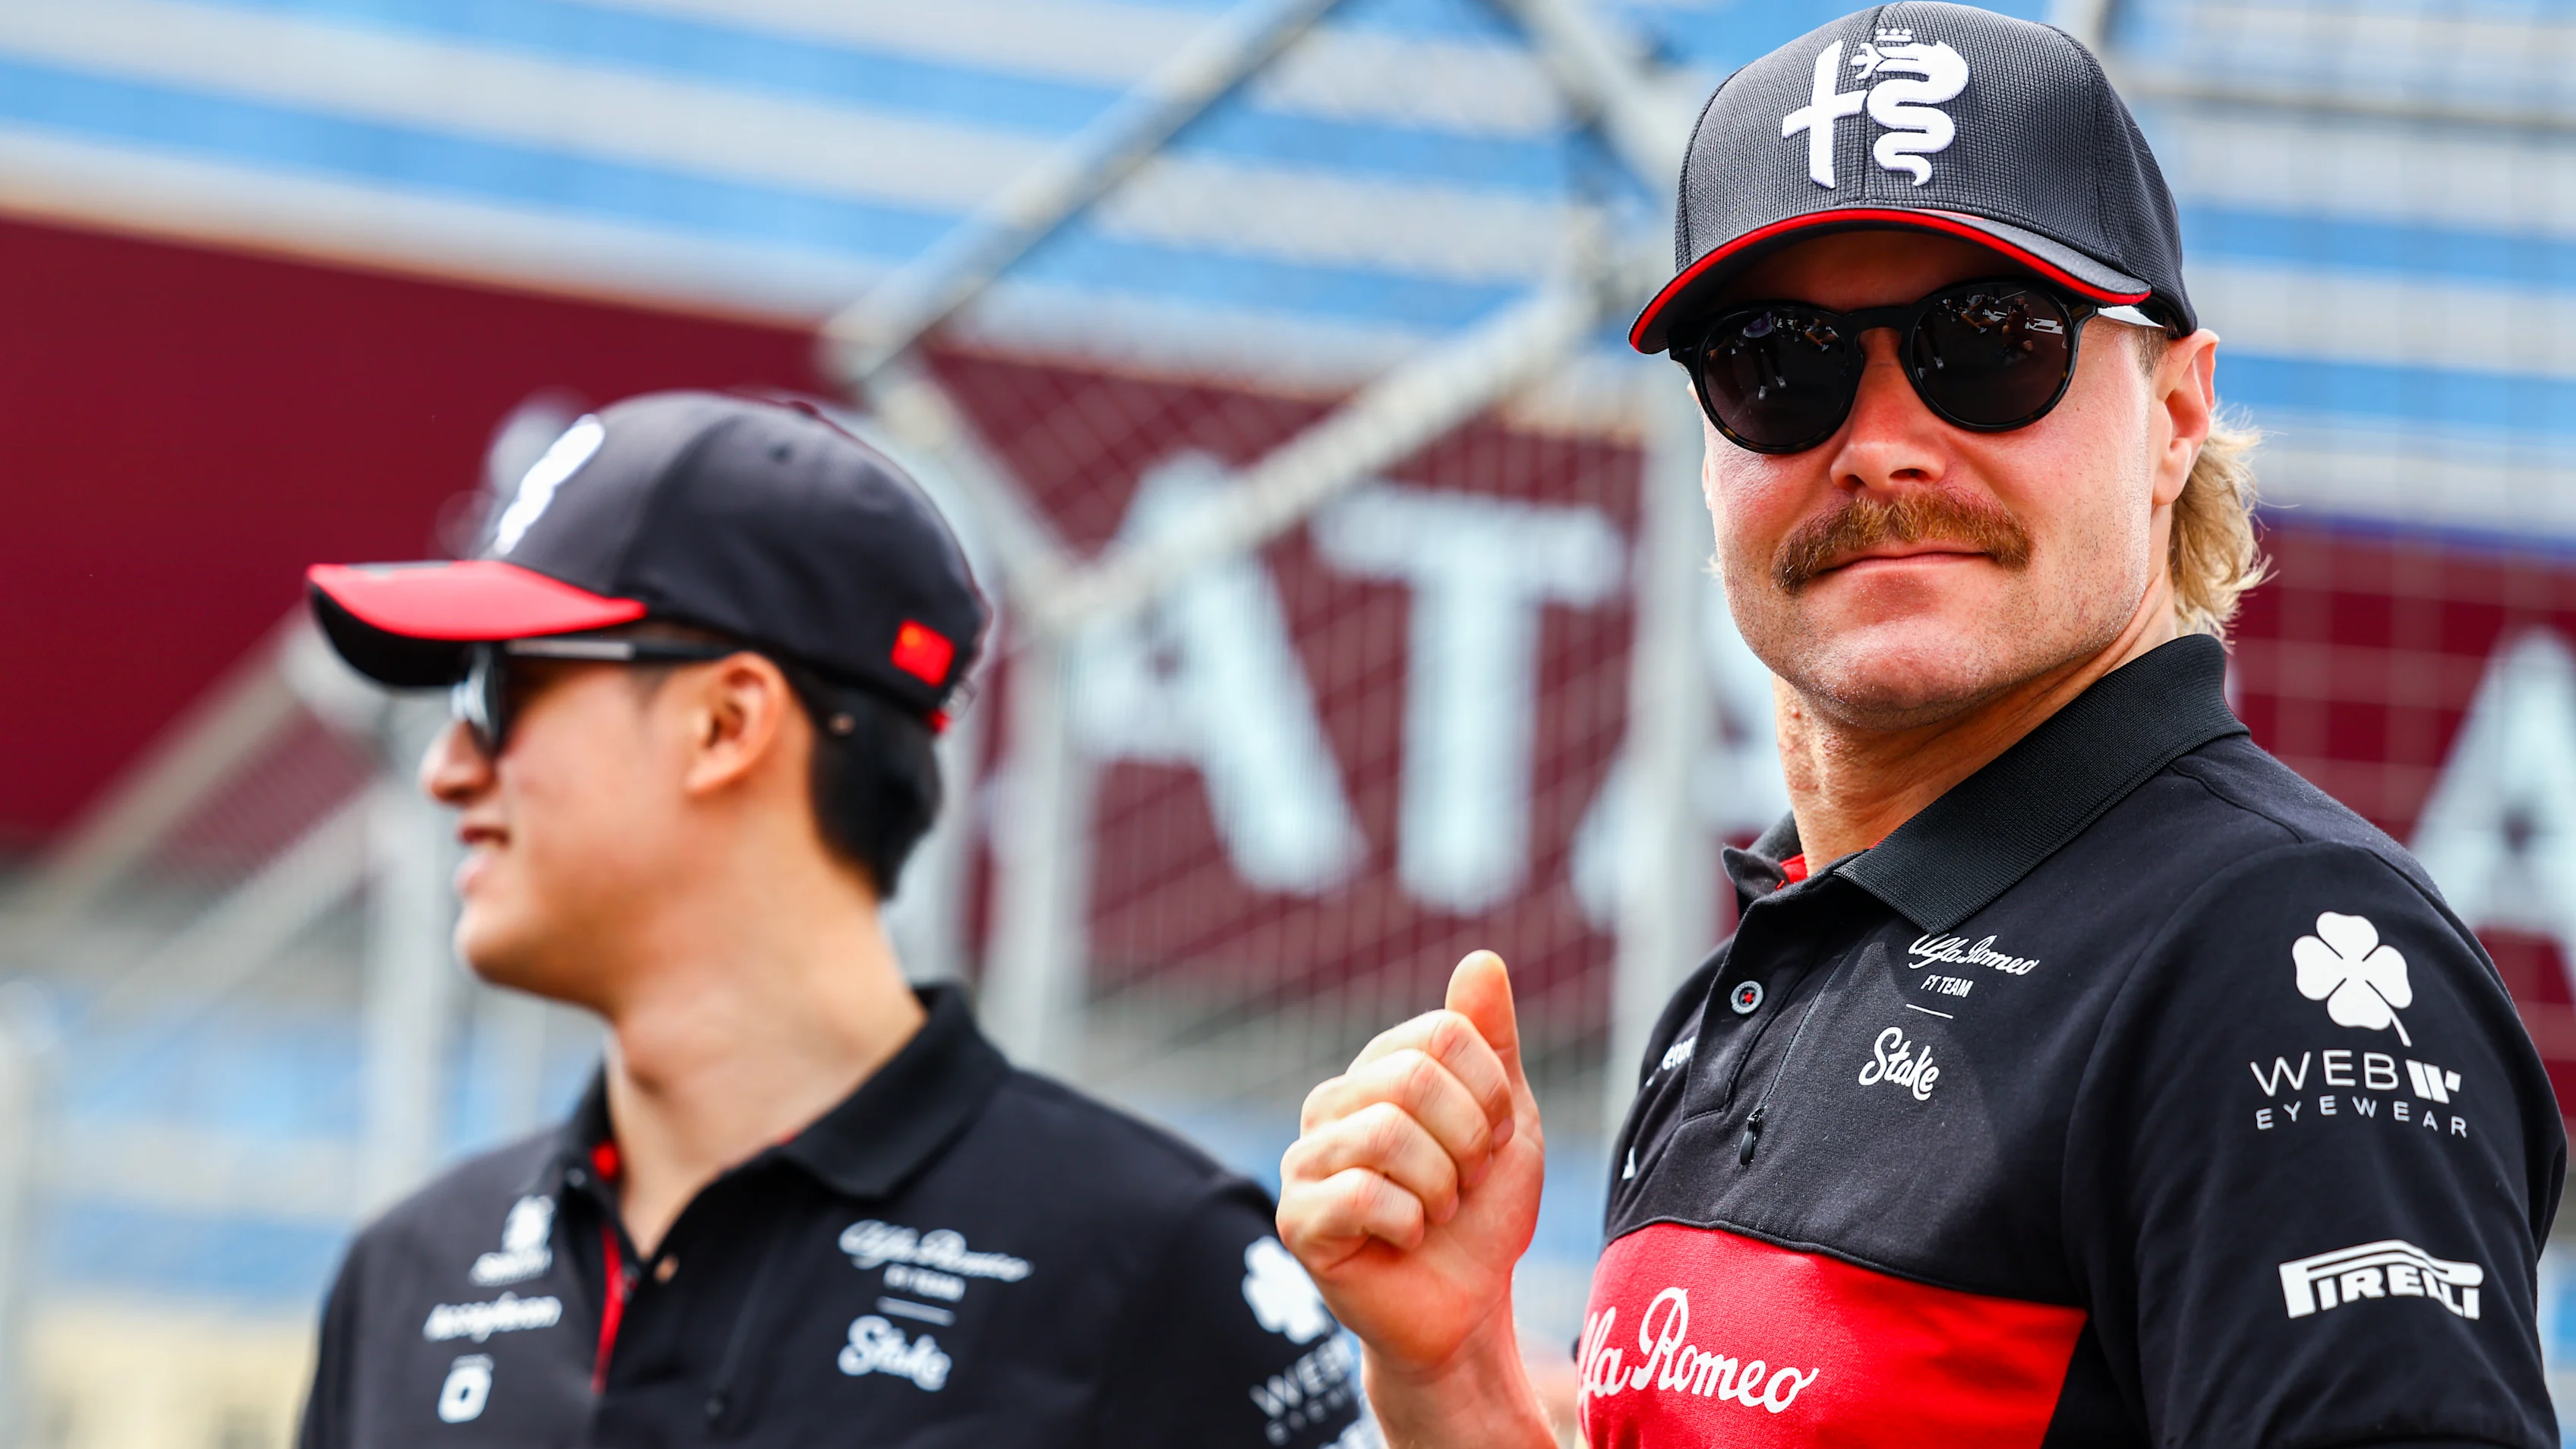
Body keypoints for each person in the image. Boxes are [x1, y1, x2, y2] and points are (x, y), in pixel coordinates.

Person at [1277, 6, 2565, 1447]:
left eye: (1989, 343)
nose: (1881, 447)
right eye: (1777, 365)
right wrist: (1457, 1381)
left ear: (2176, 415)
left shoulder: (2267, 957)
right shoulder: (1743, 991)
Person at [295, 391, 1368, 1449]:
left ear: (727, 722)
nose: (445, 769)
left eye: (496, 692)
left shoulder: (1155, 1266)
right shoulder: (405, 1281)